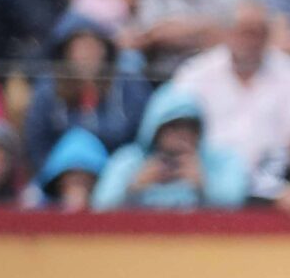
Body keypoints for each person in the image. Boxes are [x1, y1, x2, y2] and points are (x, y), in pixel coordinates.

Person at [167, 0, 290, 179]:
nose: (249, 41)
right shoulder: (194, 74)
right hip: (207, 182)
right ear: (226, 32)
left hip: (277, 184)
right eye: (242, 32)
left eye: (256, 33)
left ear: (267, 35)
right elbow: (173, 133)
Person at [90, 83, 249, 209]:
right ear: (154, 128)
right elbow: (100, 205)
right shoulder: (130, 159)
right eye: (173, 127)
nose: (182, 135)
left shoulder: (220, 160)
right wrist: (134, 186)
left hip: (201, 243)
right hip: (140, 243)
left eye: (190, 127)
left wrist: (204, 185)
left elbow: (236, 203)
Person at [21, 11, 146, 166]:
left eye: (92, 47)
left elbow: (140, 136)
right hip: (61, 173)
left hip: (117, 172)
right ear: (66, 53)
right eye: (79, 48)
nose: (87, 55)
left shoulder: (128, 86)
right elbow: (37, 141)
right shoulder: (48, 89)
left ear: (105, 50)